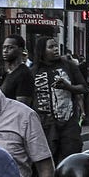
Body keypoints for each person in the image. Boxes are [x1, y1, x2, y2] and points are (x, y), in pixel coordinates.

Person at [29, 36, 86, 164]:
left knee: (71, 160)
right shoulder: (33, 71)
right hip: (45, 126)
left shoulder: (69, 66)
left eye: (56, 46)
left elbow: (83, 87)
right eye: (51, 47)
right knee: (48, 161)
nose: (55, 49)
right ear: (42, 51)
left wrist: (68, 86)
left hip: (68, 123)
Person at [0, 35, 33, 105]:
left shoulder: (24, 74)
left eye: (10, 47)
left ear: (20, 50)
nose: (5, 51)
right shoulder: (7, 74)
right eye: (4, 47)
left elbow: (23, 105)